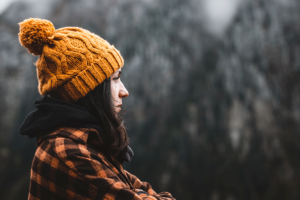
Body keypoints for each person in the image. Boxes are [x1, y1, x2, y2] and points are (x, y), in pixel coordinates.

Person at [19, 18, 175, 200]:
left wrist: (139, 192)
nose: (125, 91)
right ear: (88, 89)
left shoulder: (87, 143)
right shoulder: (68, 152)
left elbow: (135, 187)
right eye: (115, 79)